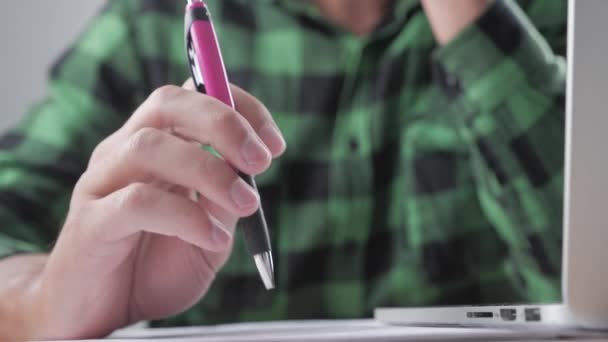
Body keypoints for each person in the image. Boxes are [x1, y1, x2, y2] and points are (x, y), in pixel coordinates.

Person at [0, 0, 567, 339]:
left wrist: (477, 28)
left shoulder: (542, 27)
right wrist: (48, 303)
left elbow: (589, 279)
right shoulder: (151, 24)